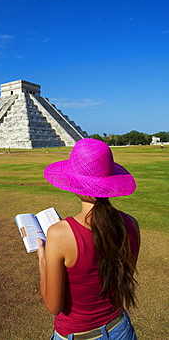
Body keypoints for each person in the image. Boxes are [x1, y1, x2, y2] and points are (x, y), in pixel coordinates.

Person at [37, 138, 140, 340]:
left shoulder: (60, 233)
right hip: (120, 328)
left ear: (74, 183)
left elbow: (53, 306)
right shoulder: (131, 224)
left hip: (78, 333)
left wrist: (43, 259)